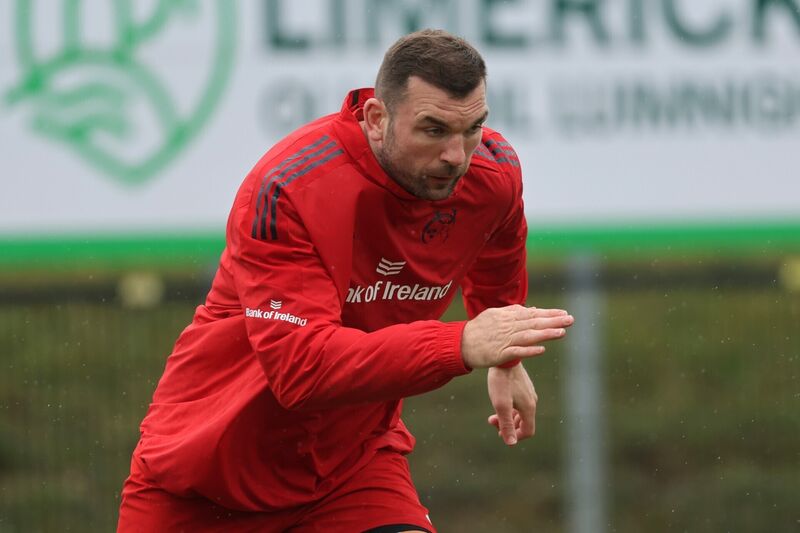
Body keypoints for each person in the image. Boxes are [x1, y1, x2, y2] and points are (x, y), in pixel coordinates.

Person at [117, 29, 574, 533]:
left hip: (351, 471)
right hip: (204, 480)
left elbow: (498, 247)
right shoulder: (290, 187)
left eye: (472, 129)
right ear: (377, 120)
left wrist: (506, 357)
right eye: (433, 130)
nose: (457, 155)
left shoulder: (492, 173)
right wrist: (461, 342)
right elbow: (302, 370)